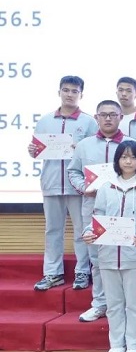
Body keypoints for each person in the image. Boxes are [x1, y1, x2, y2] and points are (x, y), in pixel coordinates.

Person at [81, 141, 136, 352]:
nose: (128, 161)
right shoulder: (107, 187)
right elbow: (97, 218)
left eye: (133, 157)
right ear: (117, 160)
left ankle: (134, 347)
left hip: (135, 256)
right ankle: (116, 345)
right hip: (107, 255)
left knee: (133, 304)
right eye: (124, 157)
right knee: (114, 304)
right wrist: (89, 232)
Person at [68, 100, 134, 322]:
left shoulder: (132, 144)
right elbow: (73, 172)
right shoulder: (84, 145)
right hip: (94, 205)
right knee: (97, 257)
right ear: (96, 118)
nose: (108, 118)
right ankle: (100, 303)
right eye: (103, 114)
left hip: (126, 208)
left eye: (112, 114)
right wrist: (84, 188)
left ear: (120, 117)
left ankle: (126, 304)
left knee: (127, 256)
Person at [30, 76, 98, 292]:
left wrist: (81, 150)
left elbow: (95, 153)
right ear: (59, 92)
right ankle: (53, 273)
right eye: (66, 90)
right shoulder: (45, 120)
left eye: (74, 91)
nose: (70, 94)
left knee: (81, 230)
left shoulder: (89, 122)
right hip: (51, 182)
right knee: (52, 230)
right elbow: (37, 149)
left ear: (81, 94)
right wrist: (32, 151)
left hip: (77, 185)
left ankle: (82, 271)